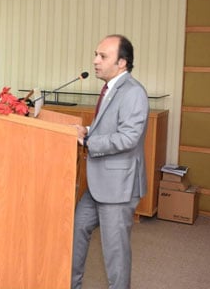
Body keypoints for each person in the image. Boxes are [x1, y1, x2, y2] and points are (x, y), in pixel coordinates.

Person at [71, 34, 149, 289]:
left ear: (122, 62)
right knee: (76, 231)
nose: (95, 61)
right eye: (96, 54)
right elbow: (109, 124)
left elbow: (128, 137)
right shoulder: (110, 88)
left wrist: (89, 143)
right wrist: (87, 130)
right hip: (97, 183)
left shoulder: (133, 92)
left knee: (115, 253)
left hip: (118, 186)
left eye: (103, 56)